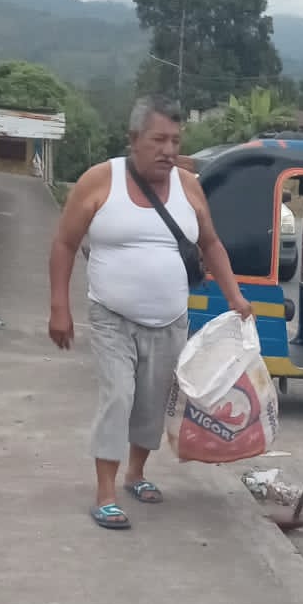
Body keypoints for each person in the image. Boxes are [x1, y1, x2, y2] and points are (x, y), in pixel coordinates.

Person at [48, 96, 252, 529]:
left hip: (171, 319)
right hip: (111, 317)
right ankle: (105, 493)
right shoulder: (100, 181)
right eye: (159, 140)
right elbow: (64, 244)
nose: (169, 150)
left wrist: (235, 296)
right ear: (133, 139)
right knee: (119, 396)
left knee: (152, 403)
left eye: (175, 141)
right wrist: (59, 307)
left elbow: (211, 243)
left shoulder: (188, 186)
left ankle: (136, 474)